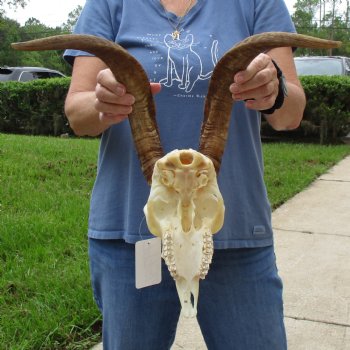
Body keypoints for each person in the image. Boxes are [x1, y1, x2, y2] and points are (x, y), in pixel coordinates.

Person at [64, 0, 305, 349]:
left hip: (235, 233)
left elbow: (290, 115)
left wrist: (274, 88)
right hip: (135, 234)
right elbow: (77, 113)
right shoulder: (108, 3)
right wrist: (102, 103)